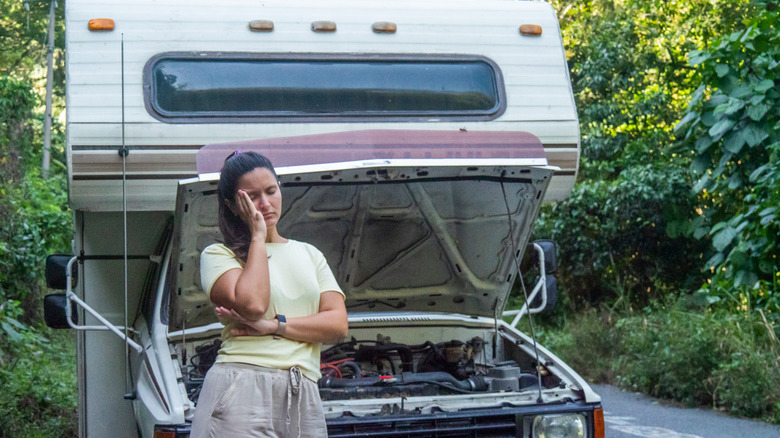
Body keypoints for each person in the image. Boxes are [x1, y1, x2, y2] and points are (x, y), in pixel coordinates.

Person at [190, 151, 348, 438]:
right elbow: (253, 304)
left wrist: (274, 326)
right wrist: (258, 237)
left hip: (304, 390)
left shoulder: (310, 254)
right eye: (252, 197)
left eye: (271, 191)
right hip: (242, 384)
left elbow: (338, 325)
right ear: (232, 205)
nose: (265, 204)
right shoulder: (218, 254)